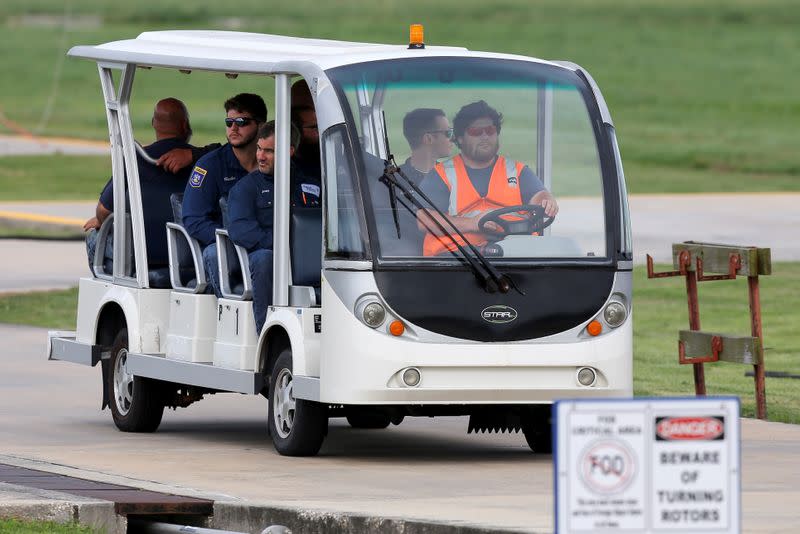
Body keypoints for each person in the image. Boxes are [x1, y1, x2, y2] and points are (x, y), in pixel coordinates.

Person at [418, 100, 558, 256]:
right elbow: (425, 220)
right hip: (457, 262)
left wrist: (546, 202)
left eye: (490, 130)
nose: (484, 136)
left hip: (513, 257)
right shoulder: (441, 174)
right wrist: (472, 224)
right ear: (460, 138)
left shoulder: (517, 171)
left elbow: (539, 195)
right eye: (476, 132)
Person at [83, 97, 196, 274]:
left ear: (154, 124)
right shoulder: (202, 161)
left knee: (95, 238)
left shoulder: (136, 159)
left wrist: (100, 220)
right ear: (184, 125)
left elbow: (104, 210)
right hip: (190, 254)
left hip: (140, 255)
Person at [227, 120, 320, 331]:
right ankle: (266, 332)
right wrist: (285, 247)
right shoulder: (245, 188)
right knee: (264, 258)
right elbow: (240, 231)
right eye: (259, 148)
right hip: (270, 260)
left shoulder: (312, 185)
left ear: (289, 151)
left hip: (310, 259)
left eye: (269, 151)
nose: (260, 156)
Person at [182, 93, 267, 296]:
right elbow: (193, 220)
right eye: (229, 122)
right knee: (214, 255)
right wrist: (235, 237)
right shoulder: (209, 166)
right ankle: (225, 317)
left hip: (266, 242)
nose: (233, 128)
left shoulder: (274, 163)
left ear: (261, 126)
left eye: (242, 122)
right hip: (228, 245)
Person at [398, 108, 454, 185]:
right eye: (448, 133)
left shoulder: (395, 179)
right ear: (429, 138)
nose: (453, 138)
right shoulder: (394, 182)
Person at [291, 104, 321, 180]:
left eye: (319, 126)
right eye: (314, 127)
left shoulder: (327, 157)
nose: (319, 132)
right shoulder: (287, 167)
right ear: (296, 131)